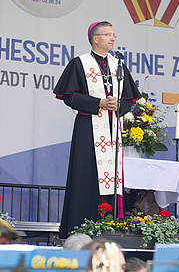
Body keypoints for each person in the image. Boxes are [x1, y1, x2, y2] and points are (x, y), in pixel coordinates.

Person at [54, 21, 141, 239]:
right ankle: (79, 231)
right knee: (85, 177)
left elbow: (130, 99)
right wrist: (99, 103)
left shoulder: (118, 65)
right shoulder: (79, 64)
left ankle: (109, 229)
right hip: (87, 129)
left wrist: (119, 106)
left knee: (111, 179)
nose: (113, 38)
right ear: (96, 38)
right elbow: (68, 96)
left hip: (113, 130)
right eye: (108, 34)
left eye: (114, 34)